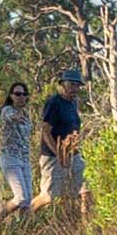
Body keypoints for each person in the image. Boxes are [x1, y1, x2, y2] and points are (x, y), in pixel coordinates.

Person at [41, 68, 87, 209]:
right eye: (71, 84)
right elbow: (45, 131)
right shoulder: (54, 102)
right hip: (53, 156)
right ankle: (26, 214)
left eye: (77, 85)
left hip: (73, 153)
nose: (75, 88)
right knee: (49, 196)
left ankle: (86, 227)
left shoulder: (73, 103)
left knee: (85, 189)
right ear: (63, 84)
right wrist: (58, 154)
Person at [0, 82, 37, 212]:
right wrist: (16, 116)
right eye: (18, 94)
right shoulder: (7, 110)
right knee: (20, 197)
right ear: (11, 96)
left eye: (24, 94)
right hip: (10, 157)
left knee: (27, 201)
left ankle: (23, 230)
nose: (21, 97)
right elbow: (11, 117)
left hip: (24, 159)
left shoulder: (26, 114)